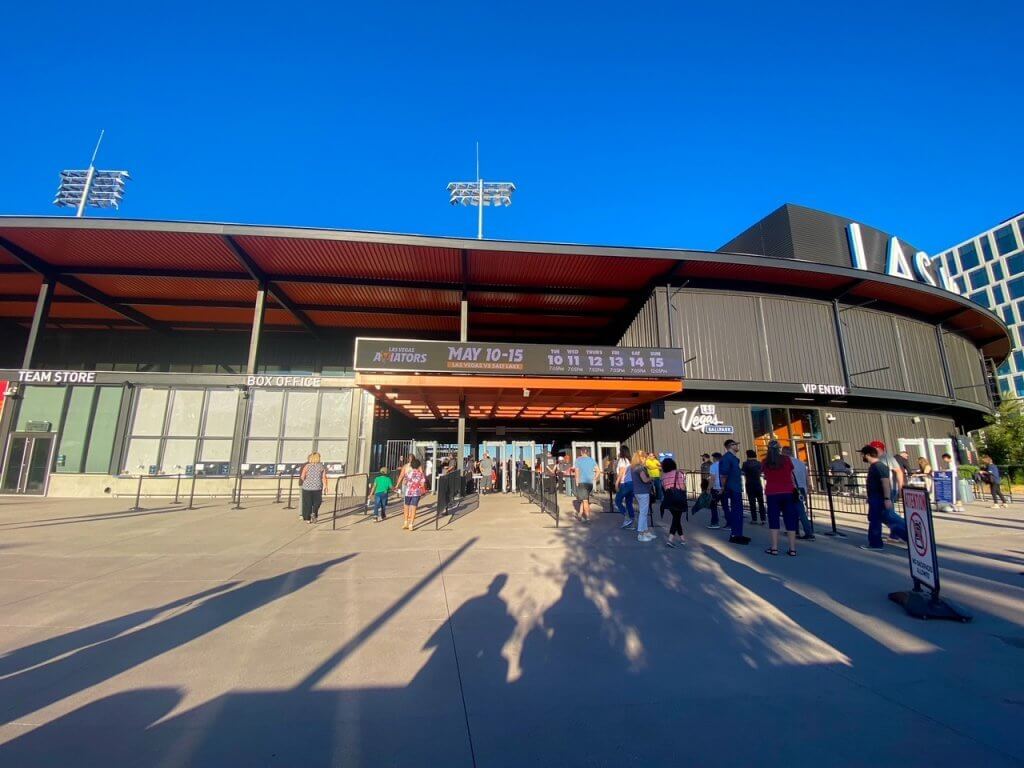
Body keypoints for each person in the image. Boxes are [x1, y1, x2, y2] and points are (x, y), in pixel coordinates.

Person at [859, 444, 907, 550]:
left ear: (867, 455)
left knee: (877, 520)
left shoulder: (879, 466)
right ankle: (910, 538)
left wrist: (887, 498)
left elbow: (885, 482)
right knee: (887, 519)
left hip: (879, 498)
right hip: (876, 497)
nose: (862, 457)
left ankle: (875, 543)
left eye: (863, 455)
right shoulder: (876, 466)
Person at [762, 441, 797, 556]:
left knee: (773, 519)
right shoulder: (786, 460)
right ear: (779, 449)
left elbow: (765, 475)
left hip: (772, 492)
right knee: (790, 519)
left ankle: (774, 548)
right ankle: (792, 549)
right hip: (788, 491)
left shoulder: (765, 462)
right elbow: (791, 473)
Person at [719, 440, 748, 544]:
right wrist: (723, 487)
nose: (737, 446)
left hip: (736, 487)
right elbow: (724, 474)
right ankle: (735, 535)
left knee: (738, 512)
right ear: (729, 446)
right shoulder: (727, 458)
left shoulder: (734, 458)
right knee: (736, 511)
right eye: (735, 444)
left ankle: (738, 534)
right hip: (732, 488)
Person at [783, 446, 814, 541]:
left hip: (792, 488)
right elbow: (807, 476)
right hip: (802, 488)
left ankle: (805, 531)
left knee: (792, 511)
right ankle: (800, 530)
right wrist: (809, 486)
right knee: (800, 510)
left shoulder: (786, 463)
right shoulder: (801, 463)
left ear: (784, 453)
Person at [660, 457, 688, 547]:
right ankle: (670, 539)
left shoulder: (663, 476)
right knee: (676, 519)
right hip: (678, 498)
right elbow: (683, 487)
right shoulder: (678, 473)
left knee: (676, 518)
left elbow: (664, 488)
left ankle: (682, 538)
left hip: (669, 500)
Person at [299, 451, 329, 524]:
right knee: (317, 502)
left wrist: (306, 480)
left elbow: (302, 477)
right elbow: (323, 477)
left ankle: (308, 519)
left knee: (308, 503)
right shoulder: (321, 466)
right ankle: (314, 513)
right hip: (317, 487)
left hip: (307, 487)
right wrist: (325, 486)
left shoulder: (307, 466)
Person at [632, 450, 655, 542]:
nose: (646, 459)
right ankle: (641, 534)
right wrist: (651, 478)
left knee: (643, 512)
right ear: (640, 458)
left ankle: (645, 532)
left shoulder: (634, 467)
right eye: (644, 457)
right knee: (643, 513)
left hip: (638, 491)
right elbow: (645, 480)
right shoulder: (640, 468)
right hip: (643, 491)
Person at [573, 447, 598, 523]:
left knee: (585, 500)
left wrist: (577, 481)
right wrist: (594, 478)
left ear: (581, 452)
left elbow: (576, 472)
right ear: (587, 452)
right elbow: (598, 471)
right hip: (589, 483)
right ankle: (580, 514)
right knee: (584, 498)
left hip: (582, 482)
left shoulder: (578, 460)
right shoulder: (592, 460)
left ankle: (588, 518)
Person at [742, 449, 766, 524]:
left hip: (749, 484)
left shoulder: (745, 464)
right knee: (761, 502)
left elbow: (742, 472)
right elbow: (762, 472)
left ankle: (754, 519)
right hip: (758, 484)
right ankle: (763, 519)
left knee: (752, 502)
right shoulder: (759, 463)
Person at [402, 457, 427, 531]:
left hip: (408, 492)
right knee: (414, 508)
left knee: (406, 507)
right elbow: (422, 484)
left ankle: (405, 522)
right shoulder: (421, 474)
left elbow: (404, 482)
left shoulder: (408, 473)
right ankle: (411, 525)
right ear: (419, 466)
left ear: (411, 466)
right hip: (417, 492)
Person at [616, 446, 636, 527]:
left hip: (624, 483)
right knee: (629, 503)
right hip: (632, 483)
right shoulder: (630, 461)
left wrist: (617, 483)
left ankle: (627, 518)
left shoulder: (622, 460)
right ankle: (632, 522)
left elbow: (621, 472)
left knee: (617, 501)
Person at [706, 452, 723, 529]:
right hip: (724, 488)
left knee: (713, 505)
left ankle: (715, 523)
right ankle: (730, 523)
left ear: (715, 458)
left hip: (716, 487)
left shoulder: (713, 466)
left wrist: (709, 488)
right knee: (725, 506)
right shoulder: (724, 465)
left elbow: (712, 478)